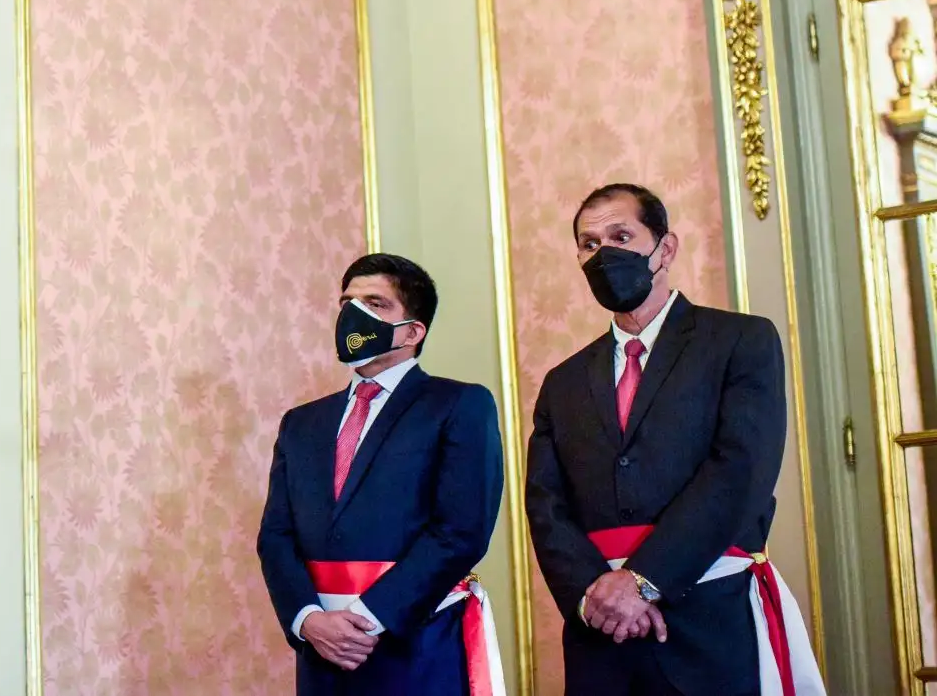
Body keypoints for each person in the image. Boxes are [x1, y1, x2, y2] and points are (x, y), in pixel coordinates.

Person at [525, 182, 823, 695]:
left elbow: (738, 472)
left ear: (665, 248)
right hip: (601, 634)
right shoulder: (562, 382)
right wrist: (593, 596)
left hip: (711, 618)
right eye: (589, 244)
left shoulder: (740, 341)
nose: (603, 255)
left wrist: (642, 581)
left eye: (621, 236)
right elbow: (546, 504)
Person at [258, 253, 506, 696]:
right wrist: (308, 620)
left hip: (415, 640)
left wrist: (367, 620)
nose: (353, 315)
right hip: (321, 650)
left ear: (413, 331)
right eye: (347, 302)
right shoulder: (301, 423)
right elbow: (275, 535)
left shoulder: (458, 405)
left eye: (374, 303)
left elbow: (461, 531)